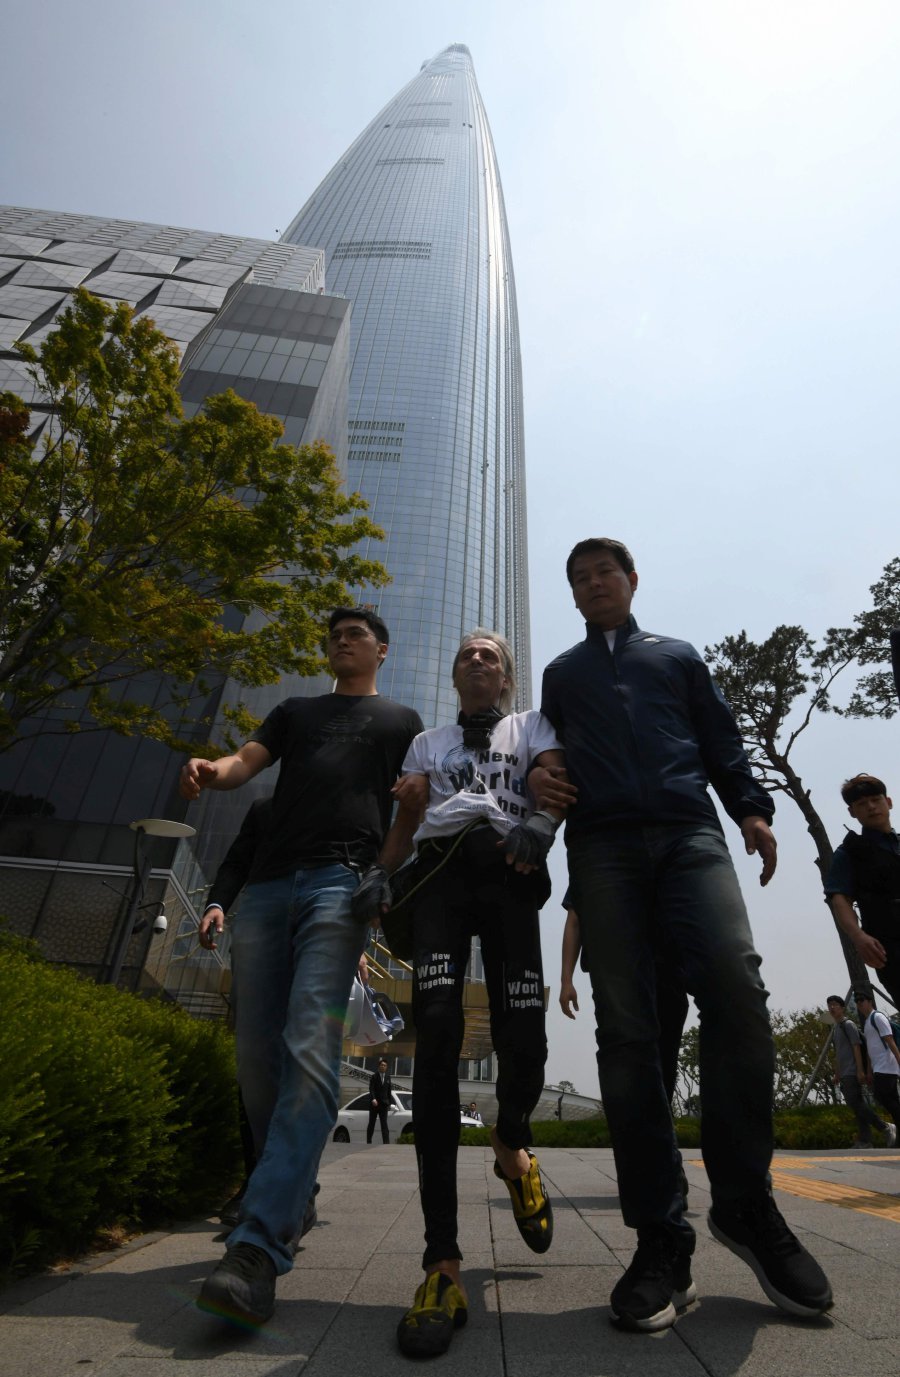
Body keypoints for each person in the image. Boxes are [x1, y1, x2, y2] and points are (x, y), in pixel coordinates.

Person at [535, 537, 832, 1331]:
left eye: (606, 572)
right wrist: (538, 773)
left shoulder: (678, 655)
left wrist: (753, 809)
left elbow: (720, 738)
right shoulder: (561, 674)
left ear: (632, 582)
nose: (594, 583)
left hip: (688, 832)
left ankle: (745, 1204)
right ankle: (661, 1239)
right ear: (572, 594)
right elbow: (545, 750)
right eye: (580, 577)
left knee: (737, 987)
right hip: (601, 848)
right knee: (627, 1034)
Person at [180, 607, 423, 1327]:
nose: (341, 641)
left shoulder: (401, 721)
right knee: (255, 1057)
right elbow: (243, 763)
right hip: (266, 891)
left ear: (381, 647)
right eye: (334, 635)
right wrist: (211, 770)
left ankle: (258, 1246)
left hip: (338, 887)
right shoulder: (295, 711)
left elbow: (413, 807)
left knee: (308, 1047)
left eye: (355, 634)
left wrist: (385, 869)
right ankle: (287, 1187)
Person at [354, 629, 566, 1358]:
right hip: (440, 876)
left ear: (507, 676)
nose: (479, 661)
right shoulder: (427, 742)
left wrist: (542, 820)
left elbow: (553, 778)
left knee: (525, 1043)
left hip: (509, 869)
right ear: (454, 674)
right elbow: (409, 818)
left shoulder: (532, 725)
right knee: (437, 1037)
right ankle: (441, 1264)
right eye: (468, 655)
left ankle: (513, 1147)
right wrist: (382, 872)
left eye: (492, 656)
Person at [824, 775, 900, 1010]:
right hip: (892, 946)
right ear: (852, 812)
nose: (870, 806)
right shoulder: (850, 853)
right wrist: (858, 937)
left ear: (888, 802)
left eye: (875, 799)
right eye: (861, 804)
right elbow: (840, 899)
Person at [825, 994, 896, 1147]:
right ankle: (865, 1140)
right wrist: (837, 1072)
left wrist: (860, 1070)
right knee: (856, 1105)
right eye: (829, 1005)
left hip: (852, 1071)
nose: (831, 1008)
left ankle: (884, 1126)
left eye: (835, 1005)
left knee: (855, 1103)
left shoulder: (848, 1025)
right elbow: (838, 1052)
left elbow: (856, 1047)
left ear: (842, 1008)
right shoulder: (836, 1028)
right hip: (844, 1073)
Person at [855, 989, 900, 1130]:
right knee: (891, 1100)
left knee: (884, 1097)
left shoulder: (878, 1017)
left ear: (869, 1002)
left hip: (888, 1065)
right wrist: (869, 1071)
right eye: (857, 1002)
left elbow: (890, 1039)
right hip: (879, 1067)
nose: (859, 1004)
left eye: (862, 1001)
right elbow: (870, 1050)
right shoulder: (868, 1022)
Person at [367, 1058, 393, 1144]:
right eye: (381, 1065)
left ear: (386, 1067)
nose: (383, 1066)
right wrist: (373, 1099)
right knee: (372, 1123)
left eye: (385, 1065)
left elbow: (389, 1091)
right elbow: (372, 1089)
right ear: (379, 1066)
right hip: (375, 1104)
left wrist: (389, 1102)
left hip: (384, 1104)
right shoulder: (374, 1076)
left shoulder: (388, 1077)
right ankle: (369, 1141)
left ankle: (386, 1143)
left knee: (384, 1124)